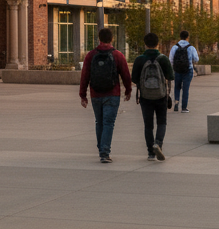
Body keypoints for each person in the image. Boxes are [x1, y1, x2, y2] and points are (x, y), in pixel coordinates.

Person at [79, 27, 132, 164]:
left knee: (99, 121)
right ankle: (104, 151)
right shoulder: (117, 55)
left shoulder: (90, 55)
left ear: (99, 39)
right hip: (112, 94)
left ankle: (101, 148)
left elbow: (85, 76)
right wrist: (128, 90)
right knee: (109, 122)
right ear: (112, 39)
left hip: (95, 94)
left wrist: (83, 95)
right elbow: (126, 74)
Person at [131, 32, 174, 161]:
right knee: (162, 122)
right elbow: (171, 76)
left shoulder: (140, 59)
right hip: (161, 95)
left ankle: (150, 152)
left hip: (145, 96)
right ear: (157, 43)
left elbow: (134, 78)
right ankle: (158, 144)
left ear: (145, 44)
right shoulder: (163, 59)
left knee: (148, 125)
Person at [168, 31, 198, 112]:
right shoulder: (191, 47)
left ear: (180, 37)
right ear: (188, 37)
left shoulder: (175, 47)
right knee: (185, 88)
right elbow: (196, 59)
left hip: (177, 70)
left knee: (177, 87)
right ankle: (184, 107)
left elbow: (170, 59)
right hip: (188, 70)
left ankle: (176, 104)